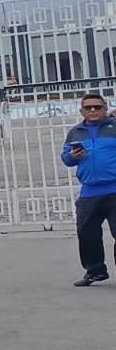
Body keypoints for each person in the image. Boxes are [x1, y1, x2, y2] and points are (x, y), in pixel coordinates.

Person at [64, 92, 116, 287]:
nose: (93, 110)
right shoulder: (75, 133)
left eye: (97, 107)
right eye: (88, 108)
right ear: (81, 111)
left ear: (105, 108)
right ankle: (95, 271)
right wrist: (73, 156)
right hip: (90, 192)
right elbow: (66, 158)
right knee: (87, 233)